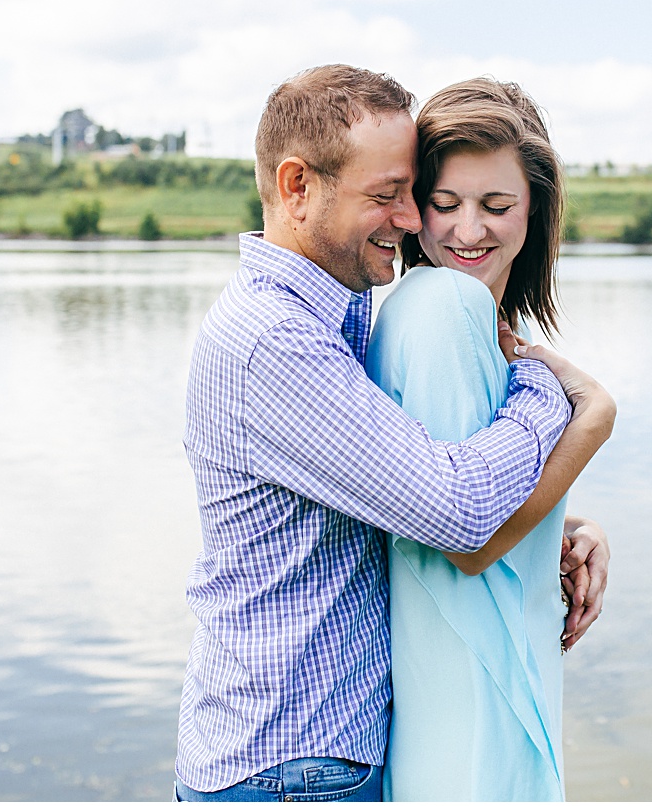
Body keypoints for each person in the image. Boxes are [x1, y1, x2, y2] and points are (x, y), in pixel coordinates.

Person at [175, 65, 616, 804]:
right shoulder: (278, 342)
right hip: (293, 768)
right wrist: (574, 405)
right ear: (296, 186)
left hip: (309, 760)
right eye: (389, 197)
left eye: (412, 194)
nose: (412, 220)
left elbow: (396, 492)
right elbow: (458, 518)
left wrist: (560, 527)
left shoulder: (340, 309)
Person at [366, 78, 611, 802]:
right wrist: (593, 417)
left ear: (536, 209)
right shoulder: (446, 303)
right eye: (445, 205)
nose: (468, 231)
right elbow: (468, 540)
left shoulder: (471, 323)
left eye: (497, 206)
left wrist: (566, 528)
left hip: (477, 692)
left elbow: (463, 496)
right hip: (476, 706)